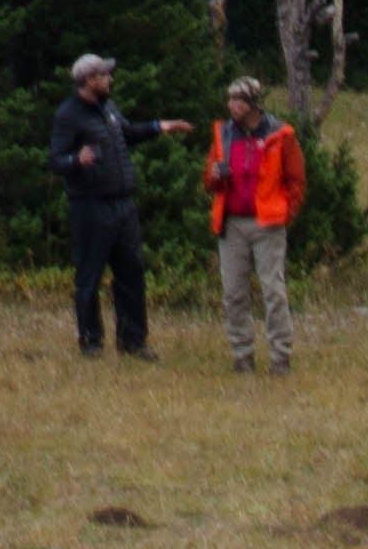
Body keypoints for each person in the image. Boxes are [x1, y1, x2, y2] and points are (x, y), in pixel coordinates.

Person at [46, 53, 190, 359]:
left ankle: (133, 341)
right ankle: (91, 341)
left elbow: (127, 134)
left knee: (132, 272)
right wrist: (76, 160)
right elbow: (55, 159)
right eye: (104, 75)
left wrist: (159, 126)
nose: (110, 79)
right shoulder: (69, 115)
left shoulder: (108, 108)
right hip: (90, 206)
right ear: (88, 80)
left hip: (123, 205)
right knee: (90, 275)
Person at [202, 78, 308, 374]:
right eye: (230, 100)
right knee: (233, 292)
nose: (232, 105)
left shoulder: (281, 135)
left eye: (238, 100)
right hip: (231, 223)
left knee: (273, 290)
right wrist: (215, 175)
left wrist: (286, 213)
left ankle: (280, 355)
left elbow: (296, 180)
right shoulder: (223, 134)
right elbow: (208, 181)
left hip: (268, 225)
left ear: (252, 104)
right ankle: (242, 354)